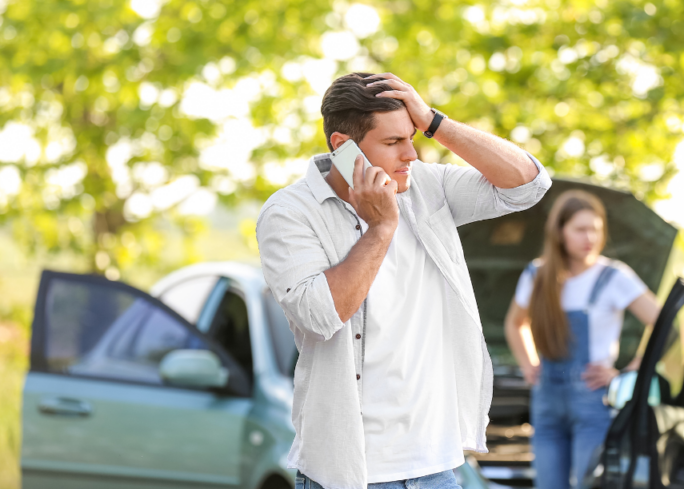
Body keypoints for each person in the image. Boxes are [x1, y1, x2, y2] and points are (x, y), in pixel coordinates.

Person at [256, 72, 551, 489]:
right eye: (394, 142)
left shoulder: (427, 186)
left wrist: (434, 121)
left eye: (413, 137)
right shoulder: (290, 212)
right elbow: (322, 315)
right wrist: (380, 230)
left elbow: (529, 185)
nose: (411, 153)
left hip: (438, 468)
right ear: (343, 147)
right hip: (351, 474)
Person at [503, 190, 660, 489]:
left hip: (594, 404)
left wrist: (629, 372)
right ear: (560, 232)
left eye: (596, 230)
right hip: (546, 402)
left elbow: (665, 326)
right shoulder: (537, 274)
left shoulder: (614, 277)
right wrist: (529, 364)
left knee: (590, 484)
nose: (590, 237)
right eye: (580, 229)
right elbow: (515, 323)